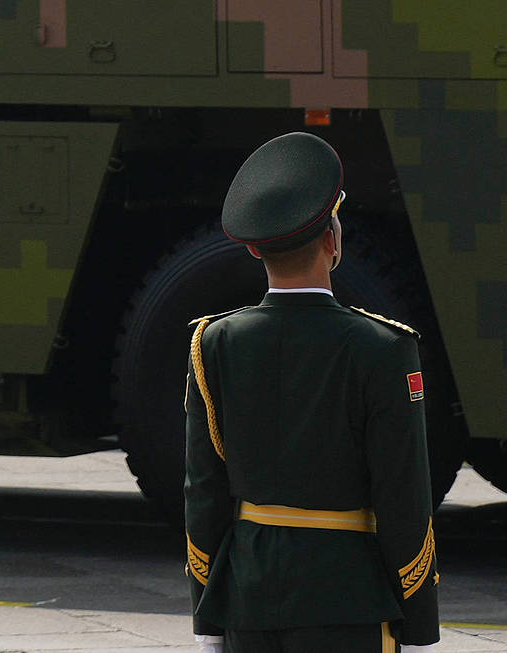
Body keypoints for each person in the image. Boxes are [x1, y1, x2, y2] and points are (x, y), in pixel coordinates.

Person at [185, 131, 440, 653]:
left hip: (247, 599)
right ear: (333, 242)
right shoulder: (383, 347)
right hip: (348, 601)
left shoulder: (214, 343)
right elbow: (403, 496)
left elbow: (203, 493)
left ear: (254, 248)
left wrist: (208, 616)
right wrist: (418, 626)